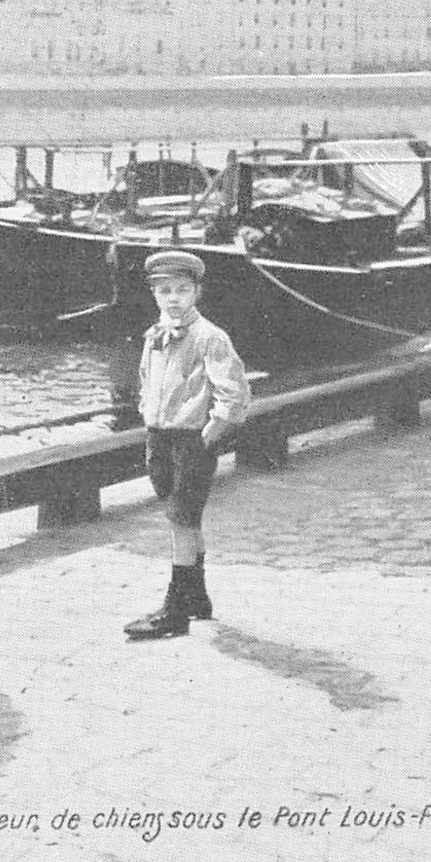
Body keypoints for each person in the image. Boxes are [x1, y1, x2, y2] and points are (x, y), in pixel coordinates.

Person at [123, 250, 250, 642]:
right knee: (180, 512)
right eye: (164, 291)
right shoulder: (155, 333)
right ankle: (197, 595)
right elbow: (147, 379)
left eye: (181, 289)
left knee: (181, 515)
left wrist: (211, 431)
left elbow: (234, 391)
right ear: (154, 295)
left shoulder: (209, 337)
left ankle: (174, 610)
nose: (173, 298)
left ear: (198, 291)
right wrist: (148, 412)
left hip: (191, 439)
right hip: (159, 436)